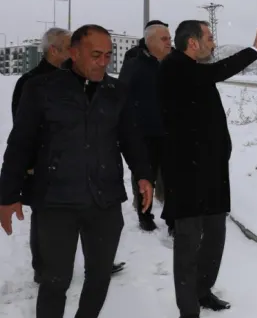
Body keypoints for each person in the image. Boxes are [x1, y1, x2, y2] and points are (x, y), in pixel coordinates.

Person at [0, 24, 154, 318]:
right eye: (96, 54)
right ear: (73, 53)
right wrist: (8, 195)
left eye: (108, 55)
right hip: (56, 202)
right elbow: (19, 143)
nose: (103, 61)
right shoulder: (42, 89)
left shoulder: (116, 91)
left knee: (99, 277)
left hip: (104, 200)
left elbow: (131, 139)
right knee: (55, 280)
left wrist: (144, 175)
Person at [159, 20, 257, 317]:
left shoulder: (192, 69)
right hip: (186, 175)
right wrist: (254, 48)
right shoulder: (176, 67)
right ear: (192, 42)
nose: (213, 43)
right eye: (209, 37)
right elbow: (217, 71)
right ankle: (188, 308)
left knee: (215, 236)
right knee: (188, 244)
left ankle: (203, 290)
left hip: (210, 172)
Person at [11, 27, 126, 284]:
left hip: (78, 173)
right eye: (69, 49)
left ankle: (95, 261)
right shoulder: (32, 82)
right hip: (44, 168)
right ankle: (45, 267)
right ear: (57, 51)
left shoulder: (83, 81)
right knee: (45, 221)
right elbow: (23, 131)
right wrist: (29, 167)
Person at [118, 20, 172, 233]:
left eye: (170, 38)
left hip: (170, 132)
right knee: (144, 176)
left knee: (172, 177)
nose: (169, 42)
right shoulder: (134, 63)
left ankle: (173, 219)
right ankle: (145, 215)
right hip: (144, 132)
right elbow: (122, 97)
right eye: (165, 38)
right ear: (150, 41)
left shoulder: (174, 61)